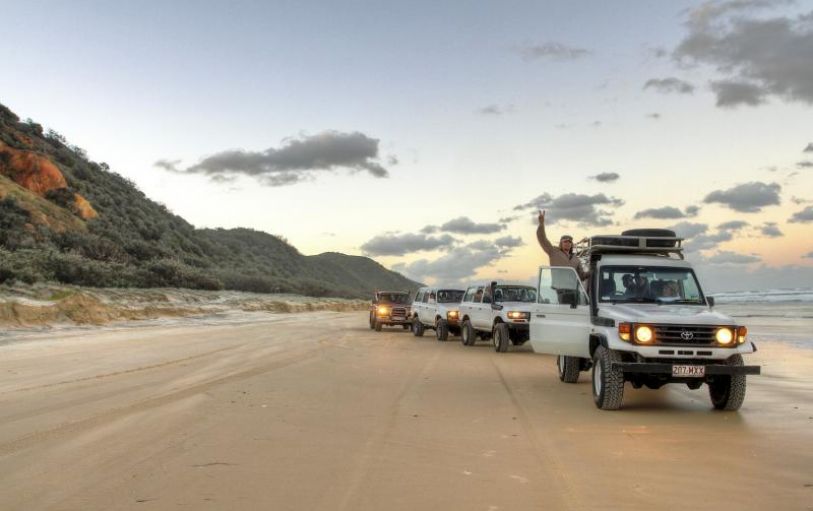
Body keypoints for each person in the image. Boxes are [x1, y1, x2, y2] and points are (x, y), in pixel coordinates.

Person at [536, 209, 587, 281]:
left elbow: (581, 276)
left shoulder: (576, 259)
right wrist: (541, 224)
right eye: (565, 241)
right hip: (559, 289)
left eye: (569, 242)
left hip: (573, 290)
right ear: (561, 243)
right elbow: (542, 239)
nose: (567, 243)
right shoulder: (554, 252)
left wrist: (592, 271)